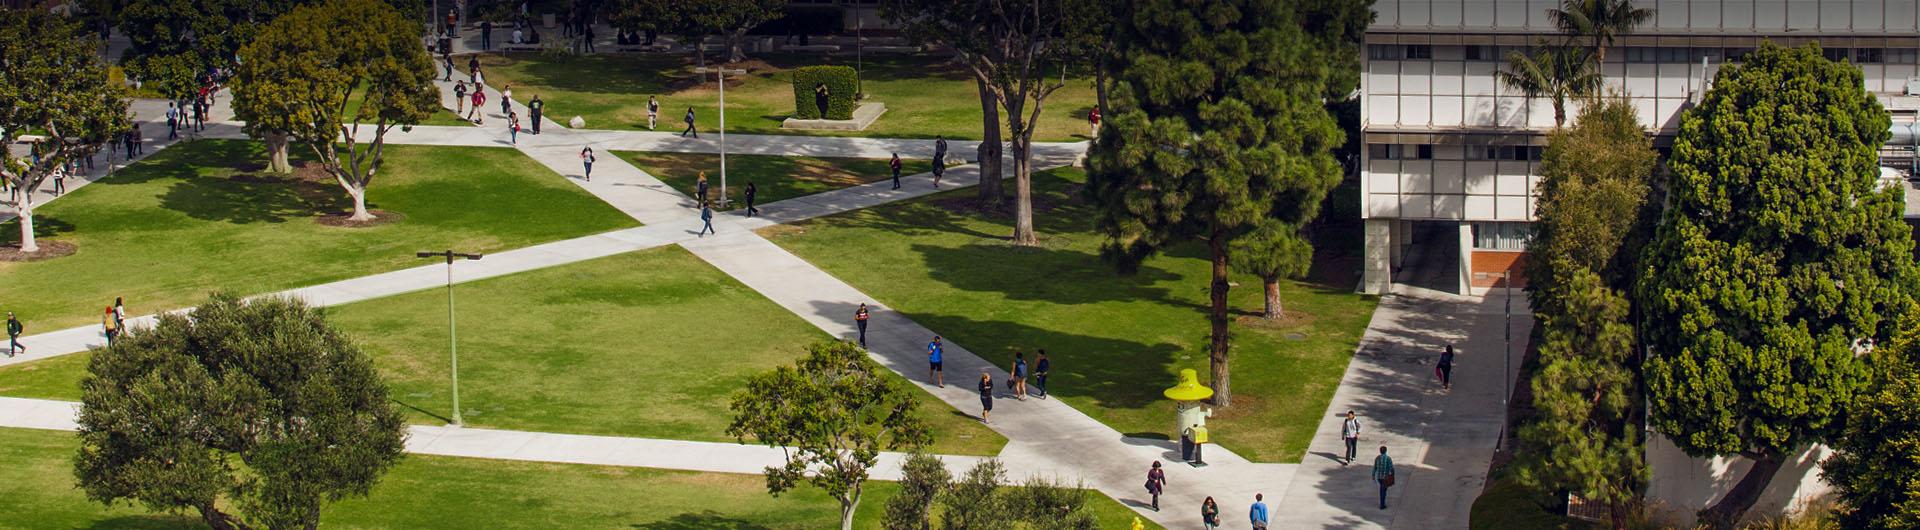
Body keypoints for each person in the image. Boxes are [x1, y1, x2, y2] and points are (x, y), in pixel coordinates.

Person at [1373, 445, 1396, 510]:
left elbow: (1375, 467)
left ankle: (1382, 503)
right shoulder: (1388, 458)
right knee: (1383, 490)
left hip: (1379, 477)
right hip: (1386, 477)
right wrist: (1392, 475)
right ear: (1385, 451)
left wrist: (1373, 475)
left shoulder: (1377, 458)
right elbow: (1391, 468)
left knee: (1382, 489)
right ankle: (1382, 504)